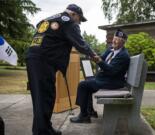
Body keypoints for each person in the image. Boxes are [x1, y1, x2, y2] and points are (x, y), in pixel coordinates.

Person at [25, 4, 97, 135]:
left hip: (33, 57)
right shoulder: (69, 22)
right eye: (80, 19)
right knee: (46, 97)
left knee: (40, 97)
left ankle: (44, 128)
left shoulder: (50, 18)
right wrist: (94, 55)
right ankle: (42, 132)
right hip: (44, 61)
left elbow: (39, 26)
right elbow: (80, 44)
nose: (79, 23)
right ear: (74, 14)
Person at [70, 29, 130, 123]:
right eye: (114, 38)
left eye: (117, 39)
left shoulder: (123, 55)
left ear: (123, 42)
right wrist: (92, 55)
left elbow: (111, 71)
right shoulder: (111, 50)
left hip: (113, 82)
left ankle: (84, 116)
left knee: (83, 85)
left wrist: (99, 61)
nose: (114, 41)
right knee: (87, 84)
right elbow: (101, 58)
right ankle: (90, 111)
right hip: (106, 79)